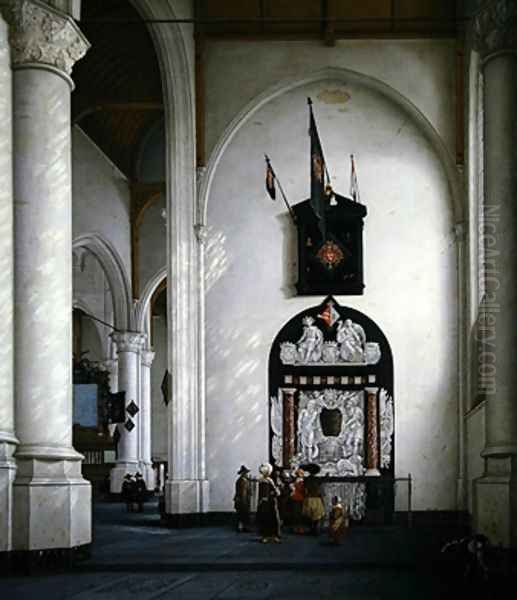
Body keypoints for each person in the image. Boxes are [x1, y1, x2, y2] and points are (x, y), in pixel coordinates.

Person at [256, 463, 281, 543]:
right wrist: (276, 492)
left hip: (263, 503)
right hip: (270, 502)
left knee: (264, 519)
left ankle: (265, 536)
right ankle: (274, 536)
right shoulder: (269, 480)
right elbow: (276, 492)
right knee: (273, 519)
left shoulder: (260, 480)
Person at [302, 469, 325, 535]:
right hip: (316, 498)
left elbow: (305, 489)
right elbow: (320, 485)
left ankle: (312, 529)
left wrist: (306, 497)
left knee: (310, 514)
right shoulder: (317, 479)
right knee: (316, 515)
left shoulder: (307, 479)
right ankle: (314, 528)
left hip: (309, 498)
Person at [233, 465, 252, 533]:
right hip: (242, 501)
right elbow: (243, 493)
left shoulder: (243, 480)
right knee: (243, 514)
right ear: (243, 474)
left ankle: (242, 527)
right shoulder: (242, 482)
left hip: (241, 500)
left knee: (241, 515)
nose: (247, 474)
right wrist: (244, 502)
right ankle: (242, 527)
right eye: (246, 473)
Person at [290, 467, 306, 534]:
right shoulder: (298, 481)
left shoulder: (299, 481)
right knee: (296, 513)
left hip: (299, 498)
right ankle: (296, 528)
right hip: (297, 498)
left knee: (298, 514)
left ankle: (298, 528)